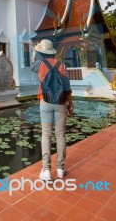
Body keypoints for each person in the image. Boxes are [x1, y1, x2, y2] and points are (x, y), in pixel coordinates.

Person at [32, 39, 73, 180]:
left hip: (45, 100)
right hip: (61, 102)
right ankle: (61, 169)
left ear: (41, 52)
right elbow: (67, 87)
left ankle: (46, 170)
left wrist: (35, 50)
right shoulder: (62, 65)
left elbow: (31, 64)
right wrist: (70, 104)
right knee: (60, 135)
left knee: (46, 134)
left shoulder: (39, 64)